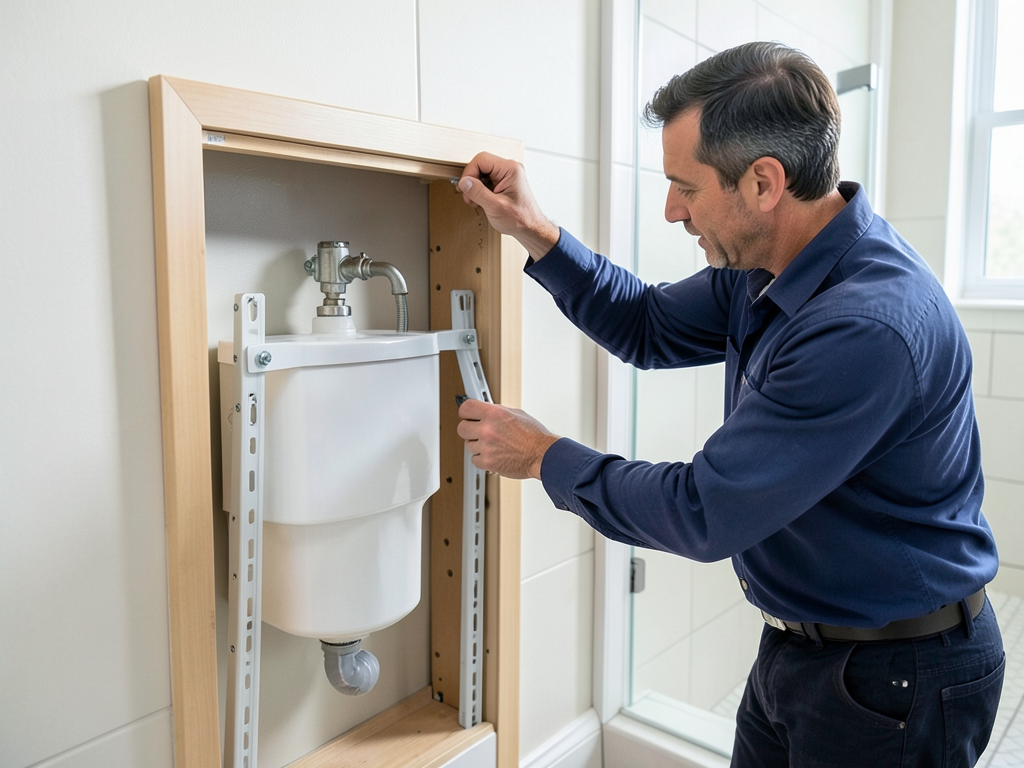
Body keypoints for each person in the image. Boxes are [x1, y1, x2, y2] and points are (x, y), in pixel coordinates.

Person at [455, 41, 1004, 767]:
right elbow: (648, 326)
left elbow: (703, 510)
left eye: (687, 185)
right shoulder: (773, 262)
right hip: (800, 649)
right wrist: (534, 230)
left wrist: (544, 457)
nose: (671, 209)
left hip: (897, 679)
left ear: (764, 182)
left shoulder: (862, 326)